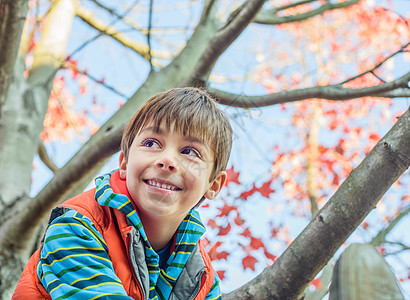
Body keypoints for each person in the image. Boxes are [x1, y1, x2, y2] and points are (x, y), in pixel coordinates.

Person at [13, 87, 232, 300]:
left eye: (190, 151)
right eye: (152, 143)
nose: (167, 161)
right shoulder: (75, 226)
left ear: (213, 185)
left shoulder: (202, 277)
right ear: (124, 164)